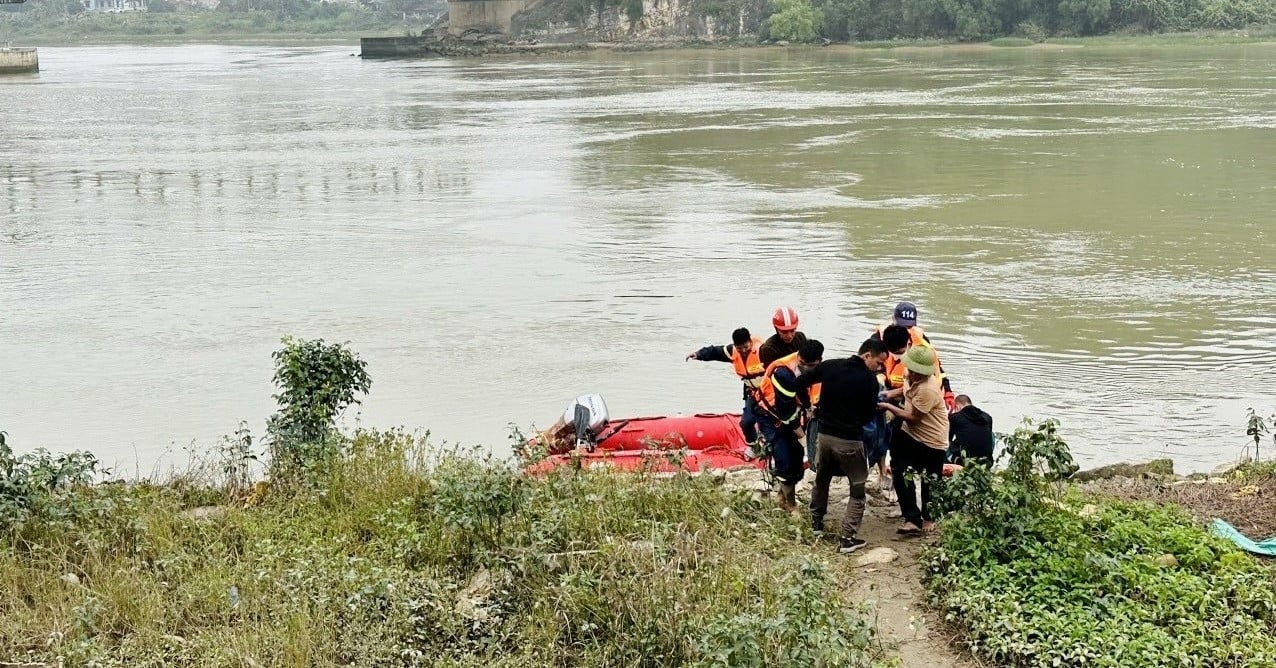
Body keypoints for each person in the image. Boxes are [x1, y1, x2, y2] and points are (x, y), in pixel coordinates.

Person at [794, 338, 888, 554]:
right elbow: (867, 417)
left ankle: (816, 524)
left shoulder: (830, 365)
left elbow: (798, 383)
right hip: (850, 441)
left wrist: (809, 406)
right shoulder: (869, 381)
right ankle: (847, 538)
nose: (880, 367)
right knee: (857, 487)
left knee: (822, 479)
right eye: (878, 363)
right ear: (867, 356)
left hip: (825, 436)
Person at [878, 346, 950, 536]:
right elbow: (905, 389)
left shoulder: (928, 388)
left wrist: (887, 406)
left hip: (932, 440)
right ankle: (911, 518)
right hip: (909, 434)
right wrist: (890, 394)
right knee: (900, 471)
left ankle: (928, 517)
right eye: (913, 370)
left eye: (920, 373)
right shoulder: (910, 375)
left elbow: (913, 417)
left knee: (930, 479)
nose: (915, 375)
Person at [754, 340, 824, 512]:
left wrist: (808, 407)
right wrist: (802, 437)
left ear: (819, 361)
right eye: (803, 364)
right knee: (785, 458)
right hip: (770, 415)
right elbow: (786, 413)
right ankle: (791, 504)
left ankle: (782, 494)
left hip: (791, 413)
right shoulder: (783, 372)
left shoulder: (817, 369)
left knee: (797, 458)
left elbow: (802, 389)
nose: (807, 367)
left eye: (812, 365)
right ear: (798, 357)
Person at [687, 327, 765, 445]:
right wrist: (698, 354)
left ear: (750, 342)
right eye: (740, 348)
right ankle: (753, 446)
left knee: (768, 423)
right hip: (752, 393)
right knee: (745, 423)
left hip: (769, 392)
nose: (743, 351)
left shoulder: (764, 350)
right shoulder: (731, 352)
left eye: (746, 347)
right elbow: (715, 352)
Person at [948, 394, 995, 466]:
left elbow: (947, 439)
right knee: (991, 435)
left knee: (944, 444)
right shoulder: (987, 417)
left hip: (965, 462)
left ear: (957, 407)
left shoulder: (955, 418)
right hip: (987, 462)